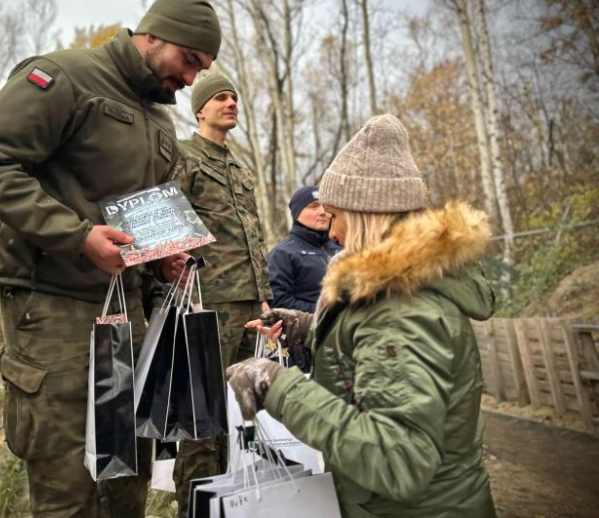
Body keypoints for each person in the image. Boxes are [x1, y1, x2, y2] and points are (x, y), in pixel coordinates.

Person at [0, 0, 221, 518]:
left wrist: (160, 260)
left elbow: (139, 217)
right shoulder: (64, 77)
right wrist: (80, 236)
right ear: (154, 36)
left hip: (128, 318)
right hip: (54, 310)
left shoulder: (161, 122)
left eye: (204, 68)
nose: (193, 80)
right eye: (190, 61)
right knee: (70, 490)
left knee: (125, 481)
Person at [228, 114, 497, 518]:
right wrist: (309, 328)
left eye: (334, 215)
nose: (331, 232)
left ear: (365, 213)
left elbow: (398, 459)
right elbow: (373, 360)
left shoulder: (402, 307)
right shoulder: (401, 289)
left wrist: (278, 386)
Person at [172, 73, 272, 517]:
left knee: (242, 412)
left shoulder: (240, 167)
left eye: (233, 96)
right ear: (200, 110)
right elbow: (169, 228)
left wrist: (264, 295)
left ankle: (234, 504)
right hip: (206, 305)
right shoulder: (184, 157)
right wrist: (182, 291)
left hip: (249, 305)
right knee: (203, 418)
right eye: (220, 98)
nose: (230, 103)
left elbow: (254, 236)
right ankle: (194, 508)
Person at [267, 186, 342, 313]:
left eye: (326, 207)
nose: (323, 212)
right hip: (306, 329)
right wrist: (327, 313)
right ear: (297, 213)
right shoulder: (282, 254)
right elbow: (278, 301)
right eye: (314, 206)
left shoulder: (341, 248)